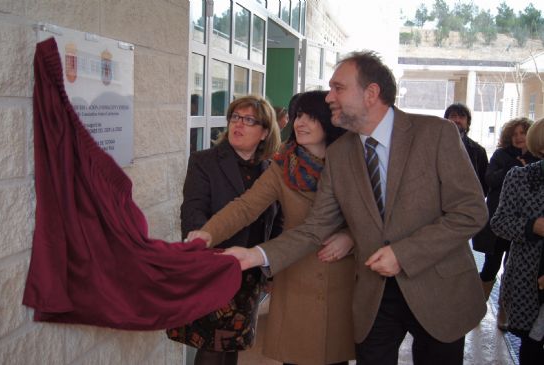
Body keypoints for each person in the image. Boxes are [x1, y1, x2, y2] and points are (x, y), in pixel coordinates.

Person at [220, 51, 488, 365]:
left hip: (438, 289)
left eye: (338, 88)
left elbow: (471, 211)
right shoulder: (340, 153)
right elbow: (315, 227)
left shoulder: (436, 134)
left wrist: (403, 253)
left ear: (371, 93)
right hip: (374, 296)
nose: (330, 96)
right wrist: (255, 255)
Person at [188, 91, 355, 365]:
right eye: (298, 115)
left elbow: (374, 216)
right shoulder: (282, 167)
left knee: (334, 357)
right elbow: (245, 206)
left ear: (329, 122)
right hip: (296, 271)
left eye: (311, 117)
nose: (300, 123)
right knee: (297, 354)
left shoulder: (351, 164)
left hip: (339, 277)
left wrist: (350, 237)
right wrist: (209, 232)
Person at [166, 95, 282, 365]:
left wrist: (272, 265)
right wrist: (207, 254)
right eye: (235, 118)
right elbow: (192, 212)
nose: (238, 124)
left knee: (233, 344)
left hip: (250, 274)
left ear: (264, 132)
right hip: (214, 268)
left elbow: (277, 220)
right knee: (211, 345)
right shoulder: (204, 161)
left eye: (249, 120)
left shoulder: (271, 170)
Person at [490, 118, 544, 364]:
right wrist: (532, 226)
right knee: (531, 345)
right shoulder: (521, 177)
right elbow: (499, 222)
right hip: (528, 278)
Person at [480, 117, 539, 330]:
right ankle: (477, 307)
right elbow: (490, 180)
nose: (519, 137)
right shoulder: (500, 156)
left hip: (524, 229)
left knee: (510, 268)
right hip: (500, 220)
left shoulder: (536, 160)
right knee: (490, 265)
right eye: (514, 134)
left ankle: (504, 311)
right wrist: (514, 167)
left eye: (523, 133)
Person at [444, 102, 488, 194]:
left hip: (468, 202)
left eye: (462, 117)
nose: (457, 120)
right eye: (453, 116)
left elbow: (484, 185)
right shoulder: (434, 147)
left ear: (468, 122)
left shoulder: (479, 151)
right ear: (445, 120)